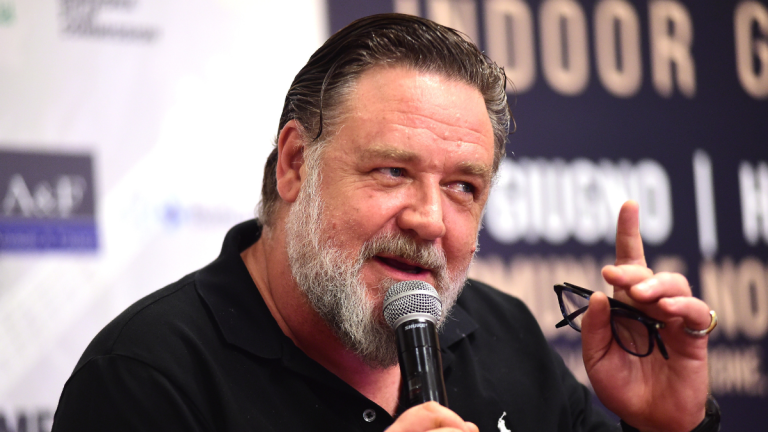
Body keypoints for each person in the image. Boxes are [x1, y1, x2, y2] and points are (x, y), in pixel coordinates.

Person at [52, 14, 718, 432]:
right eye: (393, 171)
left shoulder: (503, 336)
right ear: (295, 164)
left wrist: (667, 430)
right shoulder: (145, 378)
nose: (429, 221)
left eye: (462, 187)